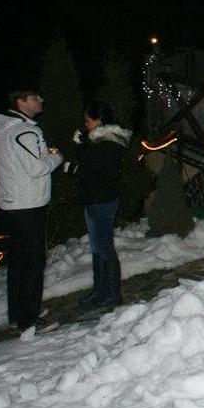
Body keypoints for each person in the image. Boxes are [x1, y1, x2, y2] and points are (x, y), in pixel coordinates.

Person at [0, 89, 63, 333]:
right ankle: (29, 322)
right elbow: (37, 168)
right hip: (28, 205)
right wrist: (57, 157)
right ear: (21, 102)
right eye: (35, 98)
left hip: (12, 204)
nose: (41, 100)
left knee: (18, 262)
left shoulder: (3, 130)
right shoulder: (26, 131)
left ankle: (18, 313)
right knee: (33, 263)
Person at [67, 100, 132, 310]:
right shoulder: (99, 140)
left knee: (103, 247)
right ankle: (100, 290)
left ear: (99, 120)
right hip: (94, 198)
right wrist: (80, 146)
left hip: (102, 200)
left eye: (88, 120)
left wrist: (74, 170)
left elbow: (100, 174)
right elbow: (90, 162)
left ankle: (112, 293)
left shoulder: (109, 143)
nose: (85, 124)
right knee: (97, 248)